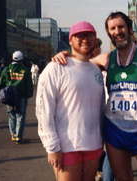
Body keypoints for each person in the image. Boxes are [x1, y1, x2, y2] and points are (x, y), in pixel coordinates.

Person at [53, 11, 137, 181]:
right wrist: (65, 55)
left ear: (130, 29)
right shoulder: (107, 59)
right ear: (109, 34)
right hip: (115, 134)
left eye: (121, 26)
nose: (117, 31)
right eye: (112, 28)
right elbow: (80, 63)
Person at [36, 21, 104, 181]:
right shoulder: (56, 68)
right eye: (79, 36)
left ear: (95, 40)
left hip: (93, 145)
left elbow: (100, 109)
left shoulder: (96, 71)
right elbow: (44, 109)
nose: (85, 39)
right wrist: (52, 147)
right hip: (66, 146)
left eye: (89, 35)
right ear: (70, 40)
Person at [0, 51, 33, 144]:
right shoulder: (25, 70)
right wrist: (29, 94)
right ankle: (18, 137)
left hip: (9, 96)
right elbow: (29, 85)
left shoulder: (6, 69)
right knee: (20, 116)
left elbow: (1, 82)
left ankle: (13, 135)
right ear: (22, 59)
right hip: (21, 96)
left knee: (11, 115)